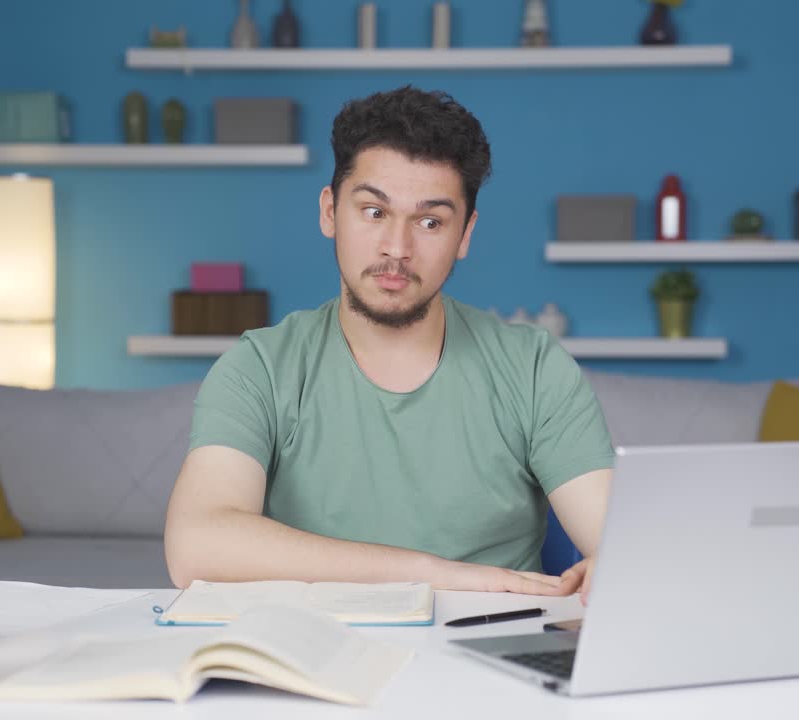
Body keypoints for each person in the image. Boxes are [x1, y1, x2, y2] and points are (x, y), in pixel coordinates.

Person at [164, 86, 613, 601]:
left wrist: (622, 566)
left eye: (430, 222)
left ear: (465, 234)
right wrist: (433, 574)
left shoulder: (533, 368)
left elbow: (625, 552)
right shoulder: (259, 367)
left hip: (492, 638)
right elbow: (196, 545)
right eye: (374, 212)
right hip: (313, 640)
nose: (397, 248)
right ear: (330, 212)